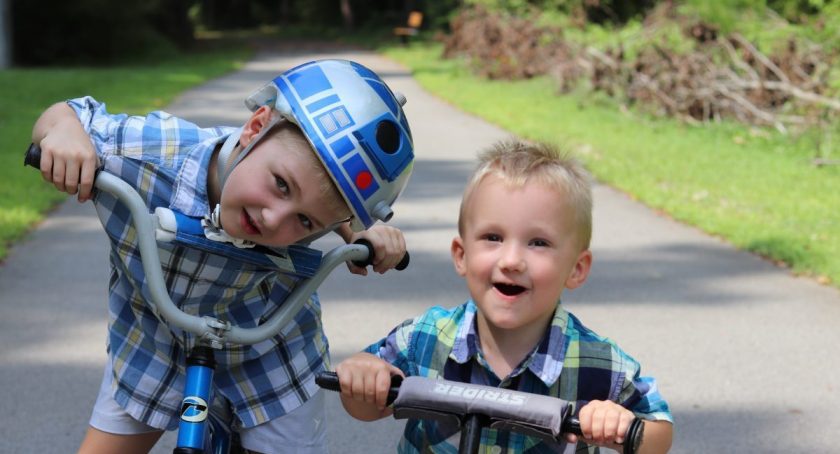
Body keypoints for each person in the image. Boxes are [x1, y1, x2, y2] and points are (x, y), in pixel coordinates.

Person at [31, 59, 415, 454]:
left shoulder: (309, 205)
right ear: (253, 128)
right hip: (154, 341)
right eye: (280, 185)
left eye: (304, 221)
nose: (273, 218)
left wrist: (365, 235)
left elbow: (338, 214)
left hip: (271, 352)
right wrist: (64, 134)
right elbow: (68, 114)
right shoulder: (154, 150)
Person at [334, 139, 673, 453]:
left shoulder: (595, 362)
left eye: (538, 242)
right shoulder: (425, 338)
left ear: (576, 268)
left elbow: (659, 433)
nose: (511, 261)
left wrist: (619, 424)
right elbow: (365, 408)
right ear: (461, 255)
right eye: (493, 237)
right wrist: (366, 376)